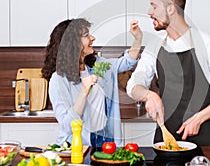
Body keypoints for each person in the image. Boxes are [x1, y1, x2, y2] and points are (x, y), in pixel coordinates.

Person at [126, 0, 210, 146]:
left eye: (154, 7)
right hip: (166, 138)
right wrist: (149, 95)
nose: (149, 12)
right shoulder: (155, 46)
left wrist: (198, 118)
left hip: (204, 138)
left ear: (171, 9)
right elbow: (133, 85)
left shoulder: (208, 43)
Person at [42, 18, 142, 147]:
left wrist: (138, 39)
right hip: (76, 146)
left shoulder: (97, 65)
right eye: (86, 35)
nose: (92, 38)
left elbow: (127, 62)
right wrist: (84, 92)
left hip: (105, 142)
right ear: (72, 43)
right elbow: (67, 125)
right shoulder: (59, 79)